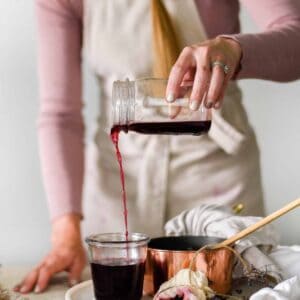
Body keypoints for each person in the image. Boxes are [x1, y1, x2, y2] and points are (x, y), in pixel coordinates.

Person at [15, 0, 300, 294]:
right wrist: (65, 235)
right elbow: (61, 116)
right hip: (119, 190)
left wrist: (234, 50)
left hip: (218, 190)